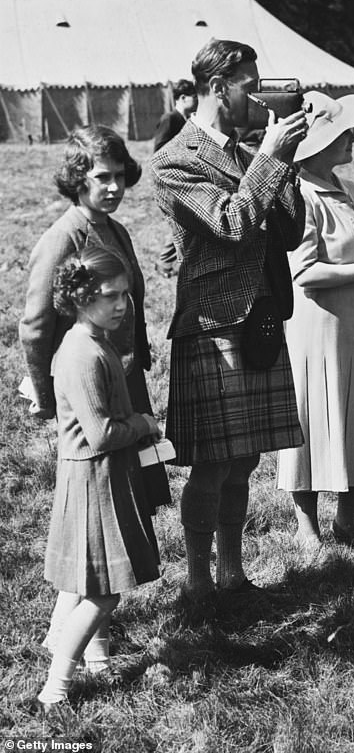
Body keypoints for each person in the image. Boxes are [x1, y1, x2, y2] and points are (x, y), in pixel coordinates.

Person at [151, 38, 307, 607]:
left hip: (260, 317)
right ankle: (197, 581)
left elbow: (289, 233)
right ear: (218, 88)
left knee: (245, 459)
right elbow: (233, 223)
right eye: (251, 84)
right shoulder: (175, 160)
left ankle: (233, 575)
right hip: (213, 324)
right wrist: (269, 157)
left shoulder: (249, 151)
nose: (260, 96)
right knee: (213, 465)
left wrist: (283, 161)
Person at [19, 126, 170, 656]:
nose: (111, 187)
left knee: (122, 501)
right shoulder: (65, 236)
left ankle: (83, 633)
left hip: (121, 382)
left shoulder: (115, 229)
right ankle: (81, 639)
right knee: (95, 510)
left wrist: (140, 361)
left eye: (118, 176)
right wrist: (44, 394)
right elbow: (35, 325)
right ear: (76, 179)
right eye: (99, 177)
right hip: (88, 395)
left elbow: (133, 303)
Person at [35, 246, 161, 716]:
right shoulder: (82, 353)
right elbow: (102, 433)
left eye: (126, 295)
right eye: (110, 296)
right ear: (81, 298)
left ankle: (88, 656)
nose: (122, 305)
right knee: (103, 590)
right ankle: (56, 686)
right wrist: (145, 425)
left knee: (89, 581)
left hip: (102, 474)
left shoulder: (95, 340)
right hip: (94, 477)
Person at [277, 91, 354, 548]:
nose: (352, 138)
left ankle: (348, 520)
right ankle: (307, 527)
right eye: (342, 133)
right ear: (319, 144)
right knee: (311, 418)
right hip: (316, 328)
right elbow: (303, 273)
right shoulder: (300, 196)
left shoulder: (348, 189)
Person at [153, 78, 197, 278]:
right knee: (182, 221)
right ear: (183, 98)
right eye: (195, 96)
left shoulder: (187, 120)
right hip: (171, 179)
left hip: (184, 177)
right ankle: (164, 262)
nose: (198, 100)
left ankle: (170, 263)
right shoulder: (171, 119)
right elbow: (159, 150)